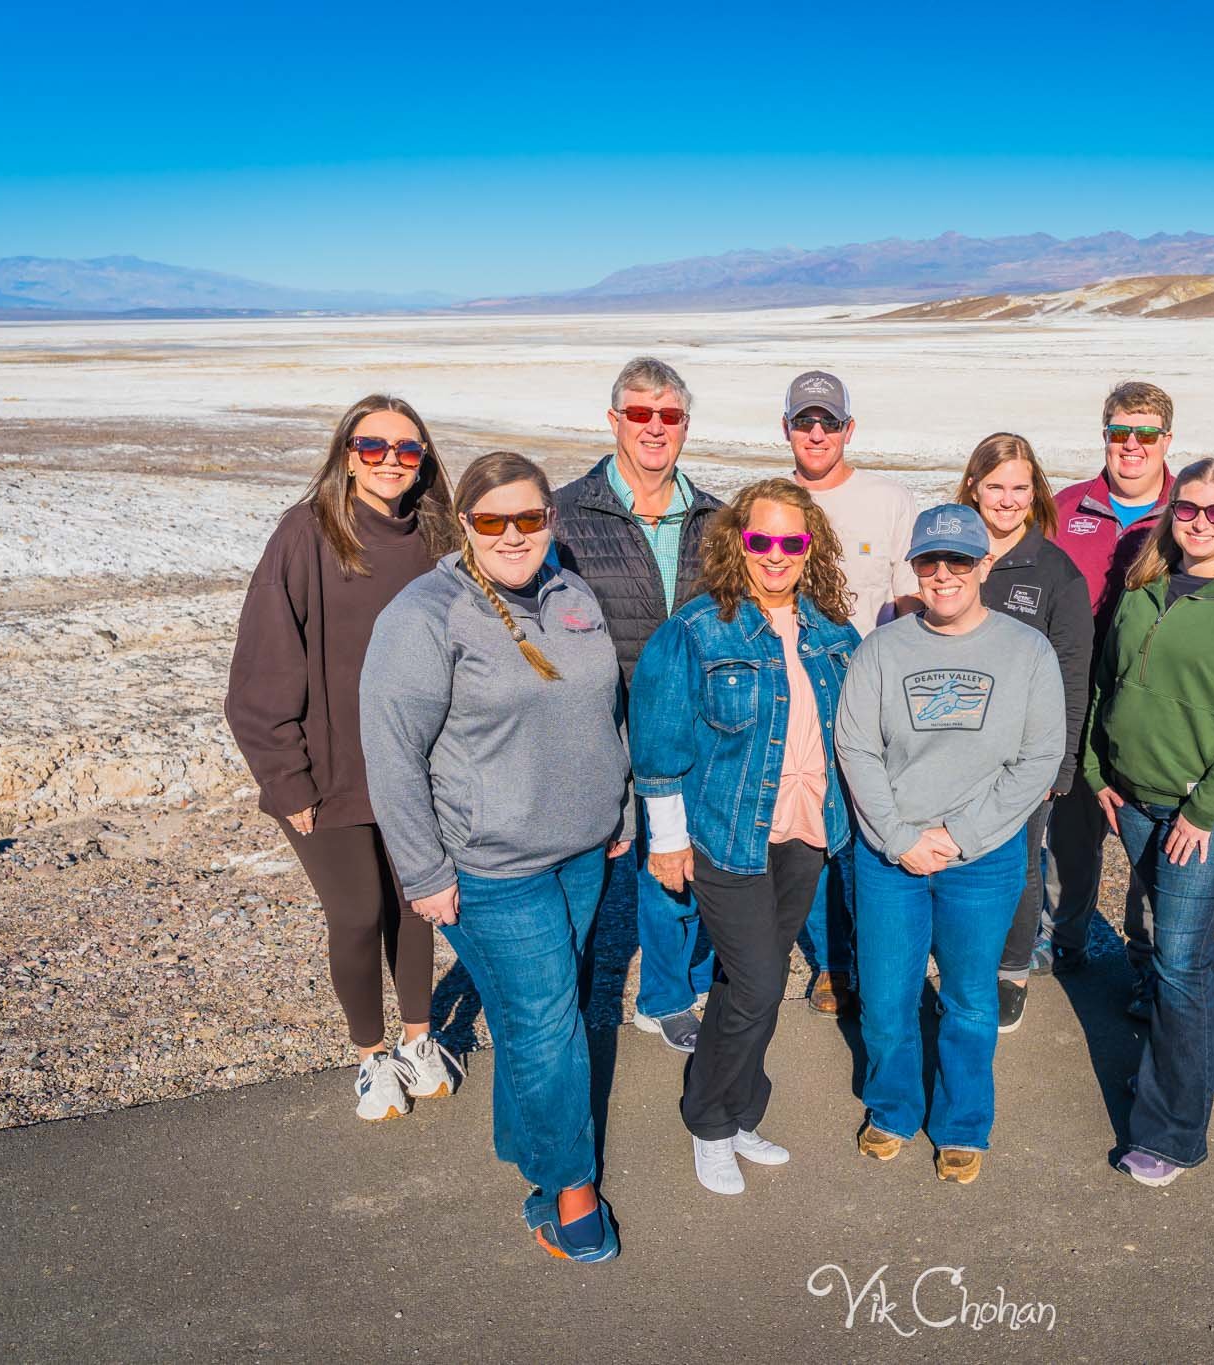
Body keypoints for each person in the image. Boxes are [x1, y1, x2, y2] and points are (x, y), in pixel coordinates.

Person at [360, 451, 633, 1264]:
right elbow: (391, 751)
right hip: (492, 864)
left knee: (539, 1011)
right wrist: (424, 871)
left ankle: (529, 1147)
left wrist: (617, 803)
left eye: (529, 518)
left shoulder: (571, 593)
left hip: (581, 851)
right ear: (465, 524)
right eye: (491, 520)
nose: (512, 535)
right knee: (548, 1019)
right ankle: (571, 1189)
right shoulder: (426, 614)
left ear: (551, 519)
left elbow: (604, 706)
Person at [224, 395, 463, 1122]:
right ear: (347, 455)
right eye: (373, 446)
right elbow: (263, 664)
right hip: (327, 766)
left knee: (417, 903)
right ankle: (371, 1056)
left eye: (407, 449)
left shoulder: (441, 535)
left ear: (424, 461)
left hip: (416, 764)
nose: (391, 460)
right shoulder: (306, 533)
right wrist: (285, 775)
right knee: (358, 912)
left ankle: (419, 1040)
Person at [631, 479, 860, 1194]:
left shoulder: (832, 631)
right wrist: (667, 841)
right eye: (762, 540)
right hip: (729, 835)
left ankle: (740, 1112)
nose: (776, 555)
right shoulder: (698, 630)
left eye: (792, 541)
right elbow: (659, 742)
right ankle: (708, 1120)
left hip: (806, 831)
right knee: (761, 983)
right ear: (739, 541)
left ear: (810, 547)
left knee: (745, 983)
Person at [1083, 459, 1214, 1187]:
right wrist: (1097, 770)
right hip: (1135, 797)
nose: (1201, 522)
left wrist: (1203, 808)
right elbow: (1108, 682)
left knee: (1174, 955)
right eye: (1189, 508)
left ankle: (1172, 1130)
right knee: (1191, 943)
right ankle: (1203, 1071)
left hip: (1213, 810)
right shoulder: (1143, 585)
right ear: (1172, 510)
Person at [835, 504, 1064, 1185]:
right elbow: (856, 747)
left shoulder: (1027, 652)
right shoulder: (882, 649)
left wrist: (959, 836)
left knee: (969, 999)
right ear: (915, 568)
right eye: (929, 561)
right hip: (892, 858)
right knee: (887, 997)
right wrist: (900, 838)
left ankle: (963, 1122)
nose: (943, 574)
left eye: (958, 560)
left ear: (984, 565)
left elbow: (1039, 757)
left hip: (982, 858)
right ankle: (893, 1107)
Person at [552, 356, 724, 1053]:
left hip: (691, 714)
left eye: (670, 415)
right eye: (640, 413)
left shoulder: (715, 517)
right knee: (590, 861)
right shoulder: (567, 513)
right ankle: (560, 1013)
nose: (655, 427)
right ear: (614, 420)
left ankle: (670, 991)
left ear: (685, 424)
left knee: (681, 850)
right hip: (600, 715)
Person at [781, 368, 919, 1015]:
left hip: (874, 698)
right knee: (813, 833)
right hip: (796, 698)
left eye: (828, 422)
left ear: (848, 429)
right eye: (804, 421)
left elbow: (909, 598)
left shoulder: (889, 501)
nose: (817, 433)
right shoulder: (773, 503)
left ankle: (886, 961)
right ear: (787, 429)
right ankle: (835, 962)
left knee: (876, 830)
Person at [1044, 381, 1177, 1009]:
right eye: (1120, 432)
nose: (1132, 445)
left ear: (1166, 440)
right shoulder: (1066, 507)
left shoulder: (1191, 513)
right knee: (1070, 836)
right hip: (1073, 700)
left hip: (1151, 710)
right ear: (1104, 436)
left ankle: (1148, 963)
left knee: (1151, 839)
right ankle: (1060, 940)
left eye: (1146, 433)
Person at [954, 433, 1092, 1032]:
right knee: (955, 853)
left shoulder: (1055, 571)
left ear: (1035, 492)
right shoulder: (953, 553)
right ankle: (962, 963)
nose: (1007, 500)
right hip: (952, 742)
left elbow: (1072, 674)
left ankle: (1011, 971)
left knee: (1018, 860)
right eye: (995, 487)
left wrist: (1060, 766)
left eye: (1019, 487)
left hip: (1023, 753)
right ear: (973, 487)